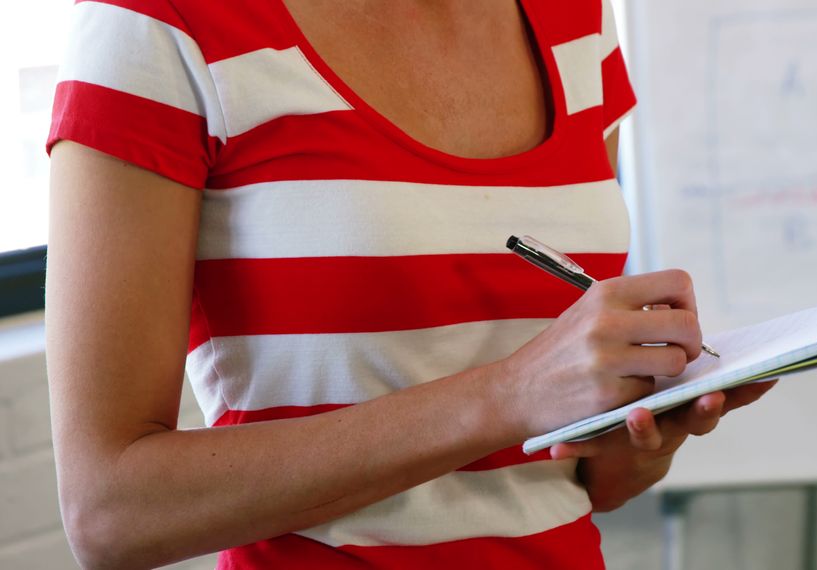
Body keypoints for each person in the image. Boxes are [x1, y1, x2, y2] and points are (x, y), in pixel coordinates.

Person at [45, 0, 774, 568]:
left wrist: (644, 428)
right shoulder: (155, 21)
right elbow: (110, 514)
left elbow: (583, 484)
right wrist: (506, 395)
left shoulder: (575, 18)